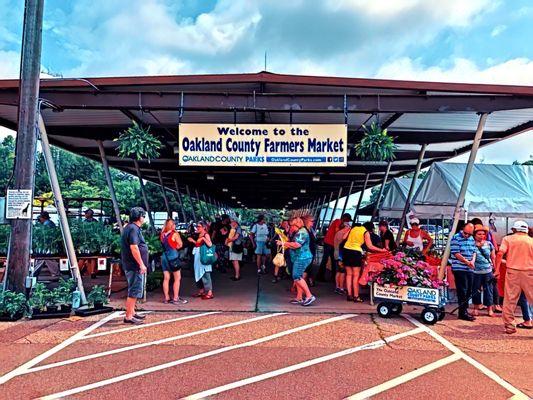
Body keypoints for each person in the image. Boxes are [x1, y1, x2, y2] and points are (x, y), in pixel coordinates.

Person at [495, 220, 533, 334]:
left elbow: (500, 253)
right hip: (530, 272)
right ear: (526, 230)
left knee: (510, 300)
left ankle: (510, 325)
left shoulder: (508, 239)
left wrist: (497, 270)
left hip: (513, 272)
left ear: (514, 229)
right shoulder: (531, 241)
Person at [278, 215, 316, 306]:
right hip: (299, 257)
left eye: (292, 225)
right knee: (299, 278)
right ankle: (299, 298)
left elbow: (297, 245)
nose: (291, 227)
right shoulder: (300, 231)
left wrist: (283, 243)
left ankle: (309, 296)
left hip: (302, 258)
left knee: (296, 276)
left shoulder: (302, 232)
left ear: (297, 224)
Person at [121, 207, 149, 325]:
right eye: (143, 215)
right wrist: (141, 264)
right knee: (134, 290)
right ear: (140, 217)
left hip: (131, 264)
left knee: (135, 289)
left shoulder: (130, 227)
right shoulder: (133, 229)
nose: (144, 218)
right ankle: (128, 316)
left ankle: (132, 312)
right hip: (134, 265)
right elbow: (134, 247)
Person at [450, 222, 477, 321]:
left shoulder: (471, 239)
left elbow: (474, 251)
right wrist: (466, 262)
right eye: (466, 233)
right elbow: (456, 253)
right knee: (463, 290)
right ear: (462, 229)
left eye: (470, 234)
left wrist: (472, 261)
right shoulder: (456, 238)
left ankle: (464, 310)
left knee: (469, 290)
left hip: (469, 268)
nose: (467, 236)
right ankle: (462, 312)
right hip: (459, 268)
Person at [317, 213, 352, 281]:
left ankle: (332, 277)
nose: (347, 222)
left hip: (331, 243)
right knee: (327, 260)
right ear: (345, 218)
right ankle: (321, 276)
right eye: (347, 220)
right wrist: (345, 229)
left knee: (332, 260)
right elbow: (337, 231)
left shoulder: (338, 222)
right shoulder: (338, 221)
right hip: (330, 243)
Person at [160, 219, 187, 304]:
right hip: (173, 256)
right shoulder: (175, 234)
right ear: (173, 225)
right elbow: (180, 245)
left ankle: (166, 298)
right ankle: (176, 298)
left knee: (166, 278)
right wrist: (175, 247)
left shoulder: (162, 234)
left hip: (164, 257)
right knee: (177, 278)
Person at [472, 225, 496, 317]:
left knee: (489, 290)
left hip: (488, 270)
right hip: (475, 271)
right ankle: (475, 308)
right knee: (475, 290)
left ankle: (489, 309)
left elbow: (493, 257)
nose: (481, 236)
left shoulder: (489, 244)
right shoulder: (472, 244)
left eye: (483, 234)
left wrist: (495, 269)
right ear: (475, 235)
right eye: (479, 234)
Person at [188, 221, 214, 300]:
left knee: (206, 273)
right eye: (197, 226)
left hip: (203, 256)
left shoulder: (206, 235)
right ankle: (201, 290)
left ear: (204, 227)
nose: (197, 228)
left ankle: (210, 292)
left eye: (199, 226)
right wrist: (193, 241)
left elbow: (210, 245)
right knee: (198, 273)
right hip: (198, 256)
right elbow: (197, 244)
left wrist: (203, 238)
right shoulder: (198, 235)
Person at [342, 223, 367, 302]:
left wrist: (349, 229)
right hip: (356, 251)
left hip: (346, 250)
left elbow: (343, 237)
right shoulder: (364, 230)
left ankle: (349, 295)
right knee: (356, 275)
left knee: (349, 274)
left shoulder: (352, 229)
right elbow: (368, 245)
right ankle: (356, 296)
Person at [78, 209, 99, 279]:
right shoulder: (96, 222)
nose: (85, 215)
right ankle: (92, 272)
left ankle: (78, 271)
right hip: (93, 242)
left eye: (86, 213)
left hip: (86, 242)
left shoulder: (85, 222)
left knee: (83, 257)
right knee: (93, 257)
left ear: (89, 214)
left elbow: (81, 232)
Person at [333, 221, 351, 295]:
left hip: (337, 254)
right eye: (348, 226)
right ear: (345, 227)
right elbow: (342, 245)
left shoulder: (338, 233)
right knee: (342, 272)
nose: (349, 228)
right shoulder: (341, 234)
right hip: (341, 255)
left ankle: (337, 287)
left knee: (338, 271)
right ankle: (341, 288)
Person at [302, 214, 317, 287]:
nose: (313, 222)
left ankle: (299, 289)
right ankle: (301, 289)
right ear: (307, 221)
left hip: (310, 253)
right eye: (312, 221)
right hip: (306, 254)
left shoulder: (310, 230)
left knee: (307, 270)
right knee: (305, 271)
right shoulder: (304, 231)